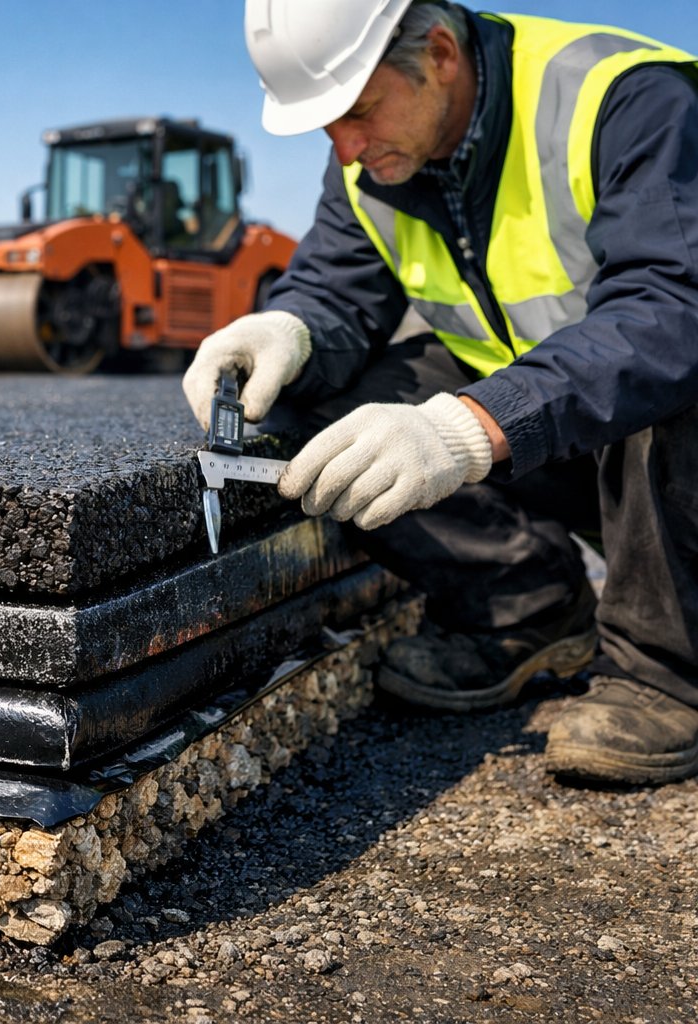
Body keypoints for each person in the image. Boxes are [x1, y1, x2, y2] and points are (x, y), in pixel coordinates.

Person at [184, 0, 698, 784]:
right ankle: (527, 606)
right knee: (303, 398)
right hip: (575, 435)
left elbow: (673, 311)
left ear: (443, 56)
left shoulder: (628, 100)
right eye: (327, 127)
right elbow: (336, 291)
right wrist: (288, 329)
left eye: (357, 112)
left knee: (670, 374)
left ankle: (666, 674)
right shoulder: (375, 156)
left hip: (663, 445)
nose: (346, 148)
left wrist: (473, 425)